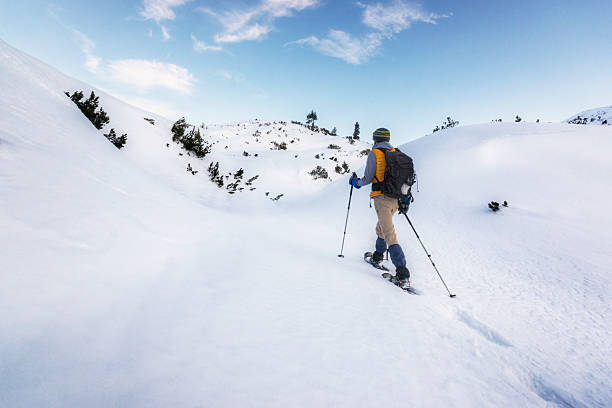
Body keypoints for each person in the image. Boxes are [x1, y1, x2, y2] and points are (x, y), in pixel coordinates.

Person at [349, 128, 410, 282]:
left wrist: (356, 182)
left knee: (389, 233)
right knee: (381, 228)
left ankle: (403, 274)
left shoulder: (374, 154)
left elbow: (368, 178)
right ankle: (377, 257)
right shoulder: (397, 153)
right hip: (396, 200)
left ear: (375, 139)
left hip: (381, 199)